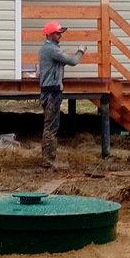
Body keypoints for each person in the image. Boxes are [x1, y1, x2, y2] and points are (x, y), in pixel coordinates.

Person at [38, 21, 85, 167]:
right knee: (50, 128)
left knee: (52, 126)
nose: (60, 36)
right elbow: (73, 61)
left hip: (51, 92)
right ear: (50, 34)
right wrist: (81, 51)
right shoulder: (51, 49)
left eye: (60, 33)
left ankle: (50, 160)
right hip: (51, 93)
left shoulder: (50, 49)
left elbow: (63, 62)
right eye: (58, 33)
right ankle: (48, 161)